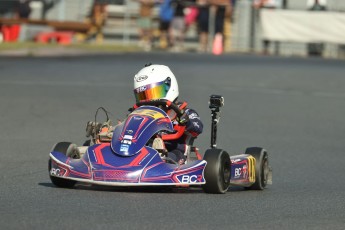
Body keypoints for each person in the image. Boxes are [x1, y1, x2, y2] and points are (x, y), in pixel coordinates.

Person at [133, 64, 203, 164]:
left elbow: (197, 127)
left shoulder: (184, 112)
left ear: (169, 87)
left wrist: (186, 121)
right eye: (143, 96)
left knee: (171, 156)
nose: (149, 100)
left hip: (174, 152)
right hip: (145, 150)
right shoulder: (140, 115)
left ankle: (159, 159)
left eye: (154, 93)